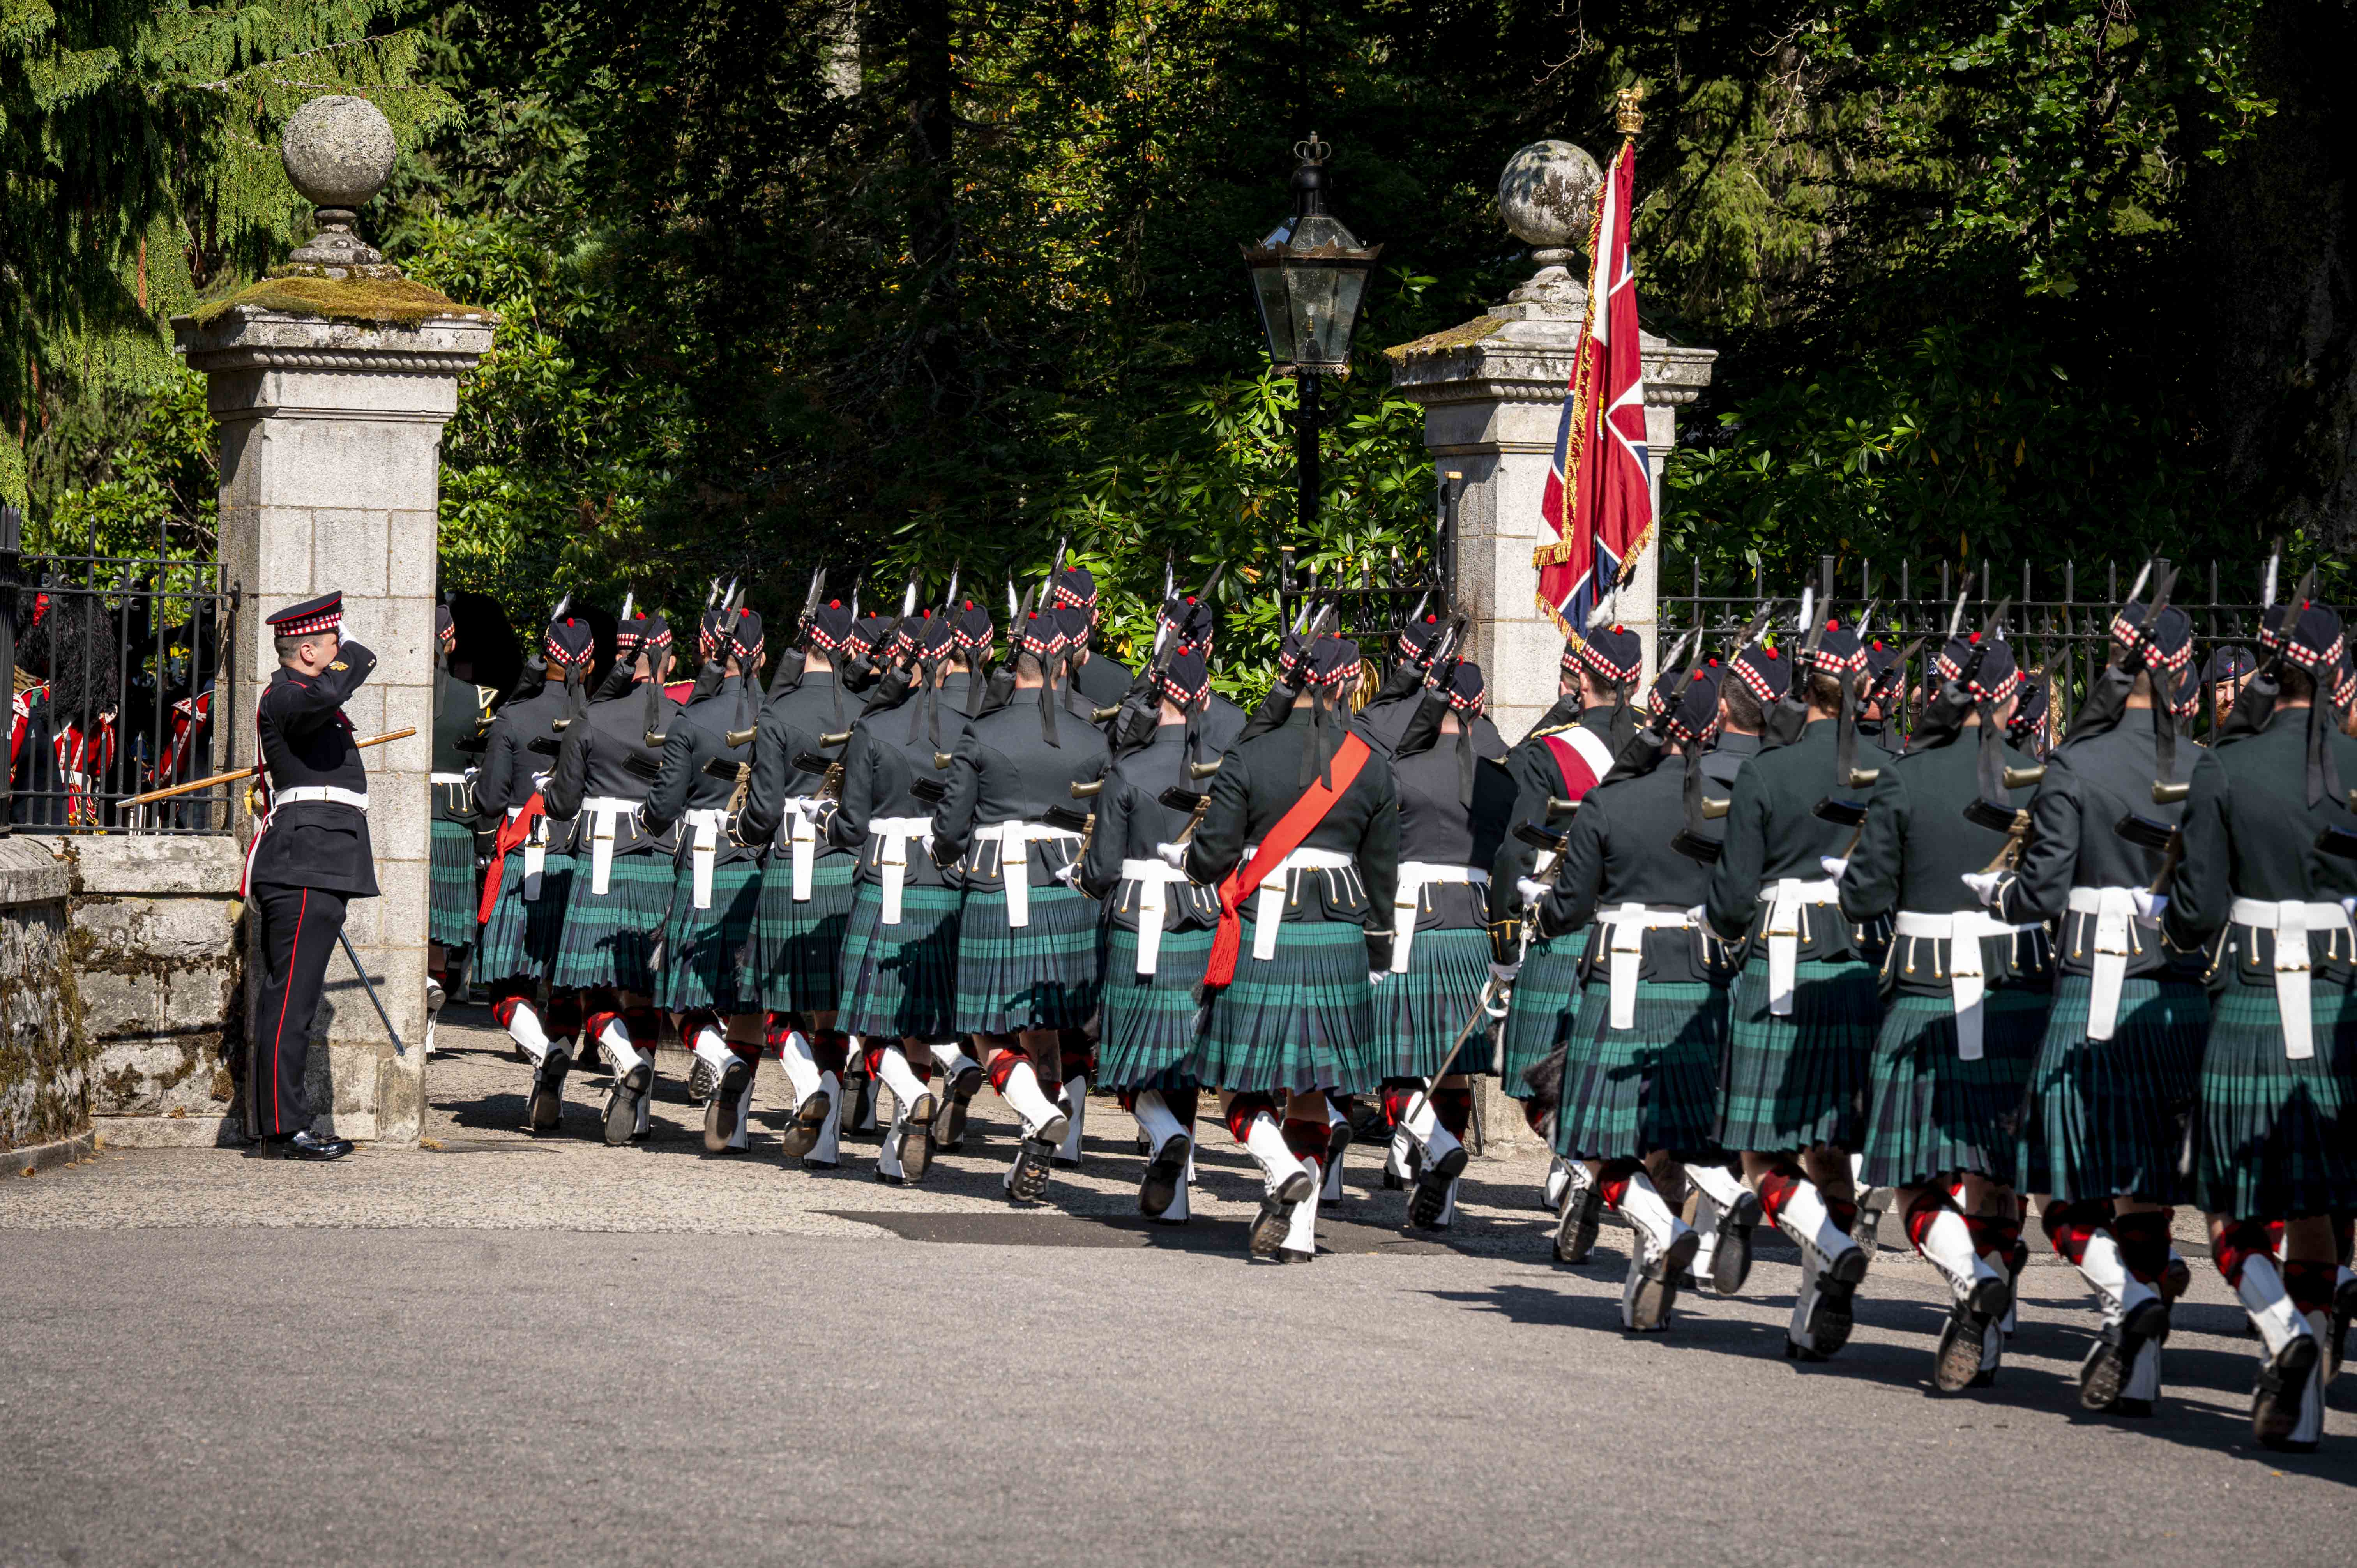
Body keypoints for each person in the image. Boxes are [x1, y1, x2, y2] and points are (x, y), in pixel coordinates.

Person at [1974, 596, 2203, 1417]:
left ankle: (2121, 1297)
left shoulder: (2075, 763)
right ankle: (2140, 1368)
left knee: (2060, 1187)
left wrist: (2001, 891)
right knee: (2148, 1185)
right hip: (2171, 989)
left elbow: (2039, 891)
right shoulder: (2203, 763)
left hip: (2088, 984)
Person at [2157, 600, 2357, 1452]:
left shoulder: (2224, 767)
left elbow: (2196, 909)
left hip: (2247, 990)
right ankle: (2304, 1408)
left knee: (2231, 1199)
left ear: (2272, 674)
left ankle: (2281, 1329)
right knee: (2317, 1196)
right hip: (2340, 989)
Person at [1836, 628, 2050, 1393]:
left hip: (1924, 988)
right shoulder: (2037, 775)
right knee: (1997, 1172)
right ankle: (1989, 1317)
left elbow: (1862, 896)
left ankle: (1966, 1280)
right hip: (2015, 987)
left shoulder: (1905, 775)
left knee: (1912, 1176)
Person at [1179, 631, 1398, 1261]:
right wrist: (1377, 950)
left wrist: (1194, 859)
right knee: (1311, 1084)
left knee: (1234, 1078)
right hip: (1337, 931)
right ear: (1349, 684)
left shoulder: (1249, 754)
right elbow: (1381, 872)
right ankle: (1299, 1228)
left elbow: (1211, 855)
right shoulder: (1372, 763)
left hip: (1261, 925)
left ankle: (1278, 1166)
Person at [1532, 662, 1735, 1330]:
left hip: (1619, 971)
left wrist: (1541, 911)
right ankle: (1660, 1254)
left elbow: (1567, 907)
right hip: (1697, 971)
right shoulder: (1725, 797)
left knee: (1598, 1138)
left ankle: (1654, 1229)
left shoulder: (1610, 800)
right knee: (1673, 1139)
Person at [1703, 619, 1877, 1356]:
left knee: (1759, 1148)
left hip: (1780, 957)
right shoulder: (1885, 765)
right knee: (1831, 1144)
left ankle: (1830, 1250)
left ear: (1803, 685)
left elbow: (1733, 899)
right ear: (1863, 689)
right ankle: (1811, 1309)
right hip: (1852, 961)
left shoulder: (1766, 771)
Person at [934, 602, 1110, 1200]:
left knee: (987, 1027)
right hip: (1065, 889)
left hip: (994, 883)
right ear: (1062, 665)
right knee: (1048, 1026)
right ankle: (1035, 1143)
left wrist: (944, 853)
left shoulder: (980, 732)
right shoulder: (1093, 738)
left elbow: (952, 831)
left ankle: (1034, 1112)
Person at [1488, 625, 1636, 1220]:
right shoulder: (1659, 743)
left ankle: (1574, 1159)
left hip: (1561, 923)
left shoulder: (1548, 752)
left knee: (1537, 1072)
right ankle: (1580, 1166)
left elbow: (1514, 854)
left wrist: (1504, 935)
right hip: (1633, 927)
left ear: (1580, 679)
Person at [1369, 656, 1513, 1230]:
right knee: (1455, 1069)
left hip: (1412, 923)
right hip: (1474, 927)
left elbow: (1377, 852)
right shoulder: (1503, 779)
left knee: (1396, 1063)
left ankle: (1431, 1141)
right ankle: (1443, 1199)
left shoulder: (1400, 769)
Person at [1080, 646, 1222, 1223]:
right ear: (1203, 700)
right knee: (1183, 1061)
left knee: (1129, 1058)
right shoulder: (1221, 767)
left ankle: (1162, 1134)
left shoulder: (1128, 770)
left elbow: (1103, 868)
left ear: (1155, 697)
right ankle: (1177, 1198)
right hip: (1198, 917)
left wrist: (1084, 881)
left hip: (1139, 916)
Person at [830, 612, 974, 1181]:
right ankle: (898, 1149)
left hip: (884, 873)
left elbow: (852, 820)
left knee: (869, 1022)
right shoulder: (973, 728)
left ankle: (912, 1095)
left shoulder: (875, 728)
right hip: (943, 879)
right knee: (922, 1018)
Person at [242, 591, 375, 1161]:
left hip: (320, 860)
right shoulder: (286, 695)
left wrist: (341, 656)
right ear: (307, 650)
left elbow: (339, 680)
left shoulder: (307, 696)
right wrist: (350, 657)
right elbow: (333, 684)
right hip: (302, 862)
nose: (340, 650)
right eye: (330, 643)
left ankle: (284, 1121)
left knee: (295, 998)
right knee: (290, 1002)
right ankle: (280, 1128)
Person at [542, 607, 680, 1144]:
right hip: (660, 855)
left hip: (601, 855)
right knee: (641, 984)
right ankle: (641, 1108)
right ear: (667, 660)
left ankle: (623, 1059)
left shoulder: (594, 718)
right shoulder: (682, 720)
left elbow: (563, 800)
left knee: (592, 980)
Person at [735, 597, 863, 1169]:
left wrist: (741, 829)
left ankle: (810, 1082)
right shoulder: (864, 711)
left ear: (806, 643)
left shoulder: (779, 712)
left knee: (776, 1004)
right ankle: (828, 1137)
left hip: (789, 856)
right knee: (831, 1007)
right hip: (843, 863)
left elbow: (761, 813)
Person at [642, 606, 767, 1153]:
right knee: (745, 1000)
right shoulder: (778, 714)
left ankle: (716, 1058)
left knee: (682, 990)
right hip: (759, 858)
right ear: (760, 654)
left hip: (700, 854)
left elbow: (664, 806)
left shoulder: (690, 719)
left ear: (710, 652)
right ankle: (734, 1127)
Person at [476, 614, 594, 1125]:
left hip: (525, 856)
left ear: (542, 657)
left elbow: (488, 798)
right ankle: (554, 1088)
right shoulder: (599, 715)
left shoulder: (514, 717)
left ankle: (544, 1056)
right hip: (579, 859)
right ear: (588, 662)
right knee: (566, 985)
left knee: (506, 986)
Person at [427, 602, 496, 1052]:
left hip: (410, 817)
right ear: (451, 641)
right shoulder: (481, 698)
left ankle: (421, 1003)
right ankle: (429, 1023)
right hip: (453, 821)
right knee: (439, 931)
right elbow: (484, 769)